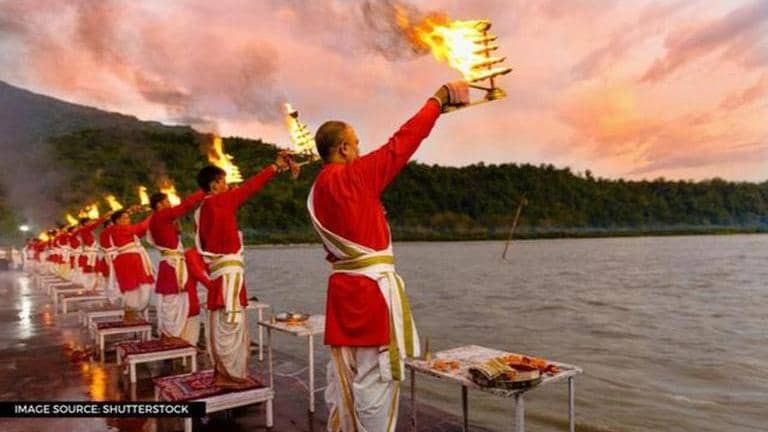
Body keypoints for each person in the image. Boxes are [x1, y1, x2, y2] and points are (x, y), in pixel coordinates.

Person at [308, 81, 469, 432]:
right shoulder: (355, 176)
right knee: (376, 381)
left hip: (341, 295)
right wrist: (437, 100)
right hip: (370, 297)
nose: (361, 149)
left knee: (345, 377)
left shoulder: (316, 190)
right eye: (357, 143)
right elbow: (403, 142)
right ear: (344, 148)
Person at [195, 152, 297, 387]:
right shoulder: (219, 202)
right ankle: (230, 376)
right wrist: (274, 167)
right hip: (228, 276)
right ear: (214, 185)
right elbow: (251, 187)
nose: (227, 185)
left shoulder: (204, 208)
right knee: (231, 324)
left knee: (223, 324)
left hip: (221, 274)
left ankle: (223, 373)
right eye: (223, 181)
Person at [147, 190, 205, 340]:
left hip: (170, 263)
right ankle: (171, 336)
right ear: (159, 205)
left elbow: (173, 233)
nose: (170, 204)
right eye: (167, 201)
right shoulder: (161, 215)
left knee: (172, 301)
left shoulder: (156, 219)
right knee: (172, 301)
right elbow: (186, 205)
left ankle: (170, 335)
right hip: (172, 265)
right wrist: (204, 191)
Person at [109, 207, 154, 321]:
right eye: (125, 218)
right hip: (127, 260)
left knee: (141, 288)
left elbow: (141, 231)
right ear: (117, 220)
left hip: (133, 259)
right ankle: (130, 317)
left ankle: (133, 314)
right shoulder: (118, 229)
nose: (128, 220)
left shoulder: (124, 229)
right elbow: (141, 227)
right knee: (132, 290)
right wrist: (154, 214)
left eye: (128, 218)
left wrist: (150, 215)